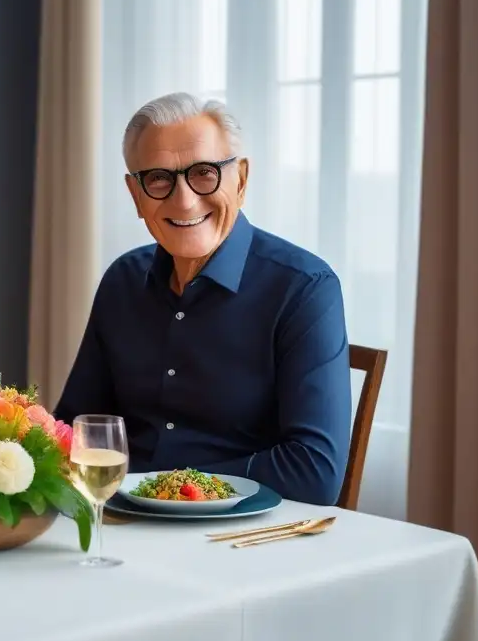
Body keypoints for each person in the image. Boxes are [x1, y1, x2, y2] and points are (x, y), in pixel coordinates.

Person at [54, 93, 352, 506]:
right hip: (122, 523)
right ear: (136, 194)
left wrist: (163, 488)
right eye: (159, 178)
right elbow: (72, 430)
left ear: (241, 180)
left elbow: (314, 474)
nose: (184, 200)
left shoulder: (304, 288)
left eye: (204, 173)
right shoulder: (122, 281)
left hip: (243, 542)